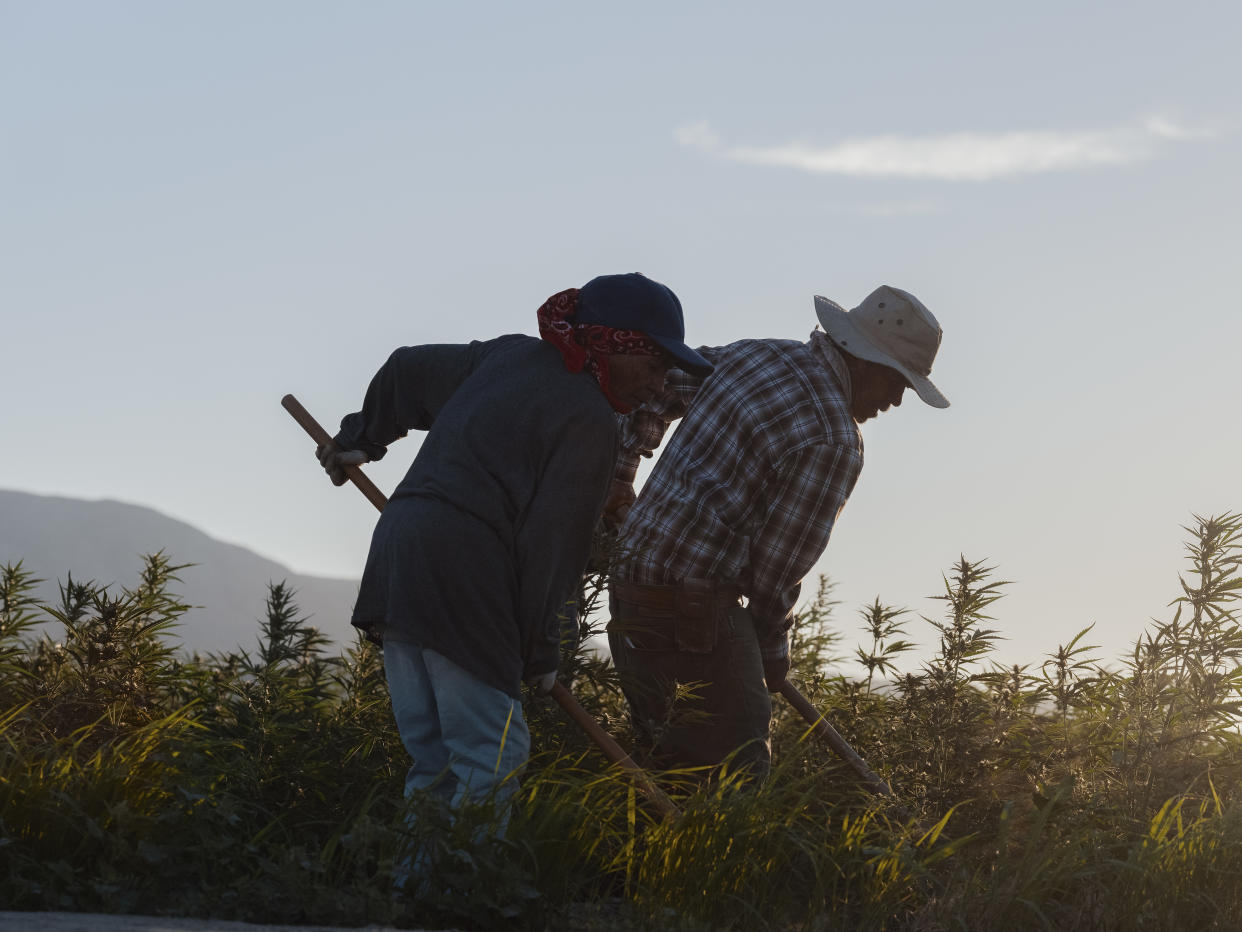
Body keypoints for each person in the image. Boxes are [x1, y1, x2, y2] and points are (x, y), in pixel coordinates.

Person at [315, 273, 712, 829]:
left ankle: (415, 893)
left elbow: (407, 369)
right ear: (613, 345)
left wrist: (362, 436)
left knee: (433, 756)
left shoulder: (508, 357)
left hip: (401, 549)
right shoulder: (592, 421)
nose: (657, 383)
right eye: (651, 364)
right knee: (489, 758)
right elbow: (552, 546)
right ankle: (464, 898)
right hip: (470, 571)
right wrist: (541, 649)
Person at [606, 285, 949, 782]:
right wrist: (771, 658)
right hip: (694, 616)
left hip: (630, 589)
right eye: (899, 382)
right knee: (733, 782)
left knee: (667, 767)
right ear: (866, 361)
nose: (897, 401)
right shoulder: (833, 439)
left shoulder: (757, 357)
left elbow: (648, 392)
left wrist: (620, 475)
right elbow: (776, 575)